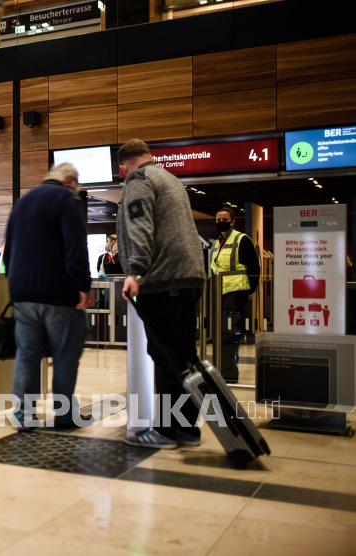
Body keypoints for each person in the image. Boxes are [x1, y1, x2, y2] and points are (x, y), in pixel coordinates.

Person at [116, 139, 206, 450]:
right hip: (190, 276)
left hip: (163, 279)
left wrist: (136, 272)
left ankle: (166, 432)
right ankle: (188, 429)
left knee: (164, 356)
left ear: (122, 166)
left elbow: (141, 225)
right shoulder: (171, 178)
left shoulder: (138, 179)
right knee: (184, 356)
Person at [3, 163, 92, 431]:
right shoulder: (67, 199)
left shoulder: (23, 201)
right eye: (75, 184)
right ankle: (64, 416)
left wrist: (15, 286)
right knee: (65, 354)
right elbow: (76, 246)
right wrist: (83, 286)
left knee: (27, 355)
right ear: (69, 180)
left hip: (22, 294)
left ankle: (23, 417)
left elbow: (9, 250)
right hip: (58, 294)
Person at [212, 207, 260, 384]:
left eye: (224, 219)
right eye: (218, 219)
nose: (220, 222)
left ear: (232, 222)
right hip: (220, 293)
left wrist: (250, 291)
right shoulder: (217, 243)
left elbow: (254, 268)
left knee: (229, 333)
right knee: (221, 332)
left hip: (236, 292)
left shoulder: (241, 239)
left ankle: (229, 374)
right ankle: (222, 369)